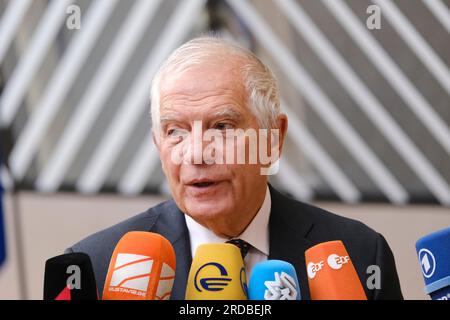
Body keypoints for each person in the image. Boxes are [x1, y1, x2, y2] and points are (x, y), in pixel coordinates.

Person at [66, 36, 403, 299]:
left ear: (273, 139)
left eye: (222, 127)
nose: (196, 154)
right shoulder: (95, 267)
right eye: (175, 132)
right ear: (158, 145)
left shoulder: (358, 254)